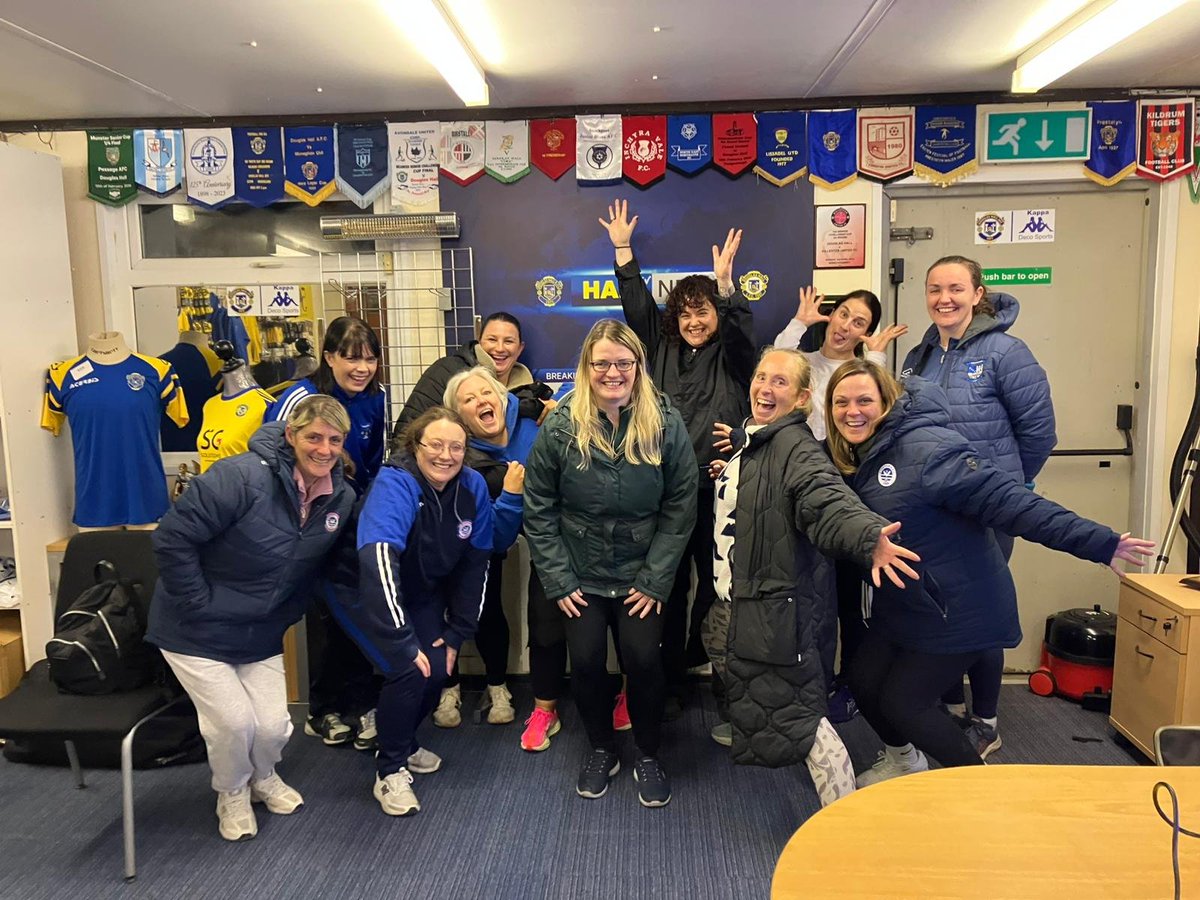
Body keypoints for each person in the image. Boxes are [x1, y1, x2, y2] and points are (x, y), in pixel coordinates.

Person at [824, 360, 1153, 785]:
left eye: (865, 400)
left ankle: (981, 792)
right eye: (841, 402)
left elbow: (1016, 505)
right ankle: (905, 761)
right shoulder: (859, 454)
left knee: (906, 703)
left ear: (887, 402)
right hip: (908, 605)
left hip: (958, 609)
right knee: (865, 681)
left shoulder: (930, 451)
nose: (853, 411)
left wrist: (1098, 542)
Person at [705, 348, 920, 807]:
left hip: (774, 607)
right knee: (717, 641)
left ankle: (843, 821)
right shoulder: (757, 440)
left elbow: (824, 499)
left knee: (805, 722)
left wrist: (867, 537)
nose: (765, 387)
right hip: (739, 596)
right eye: (761, 376)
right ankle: (754, 717)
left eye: (780, 382)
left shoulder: (795, 447)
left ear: (803, 397)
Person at [145, 396, 356, 841]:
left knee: (274, 725)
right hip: (194, 629)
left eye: (334, 440)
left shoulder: (340, 496)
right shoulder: (238, 476)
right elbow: (172, 540)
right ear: (290, 435)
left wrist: (288, 611)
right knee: (234, 723)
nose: (324, 449)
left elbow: (318, 567)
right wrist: (198, 602)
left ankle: (264, 777)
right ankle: (233, 791)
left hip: (260, 630)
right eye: (313, 437)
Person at [524, 319, 698, 807]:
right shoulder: (561, 427)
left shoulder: (665, 424)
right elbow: (538, 507)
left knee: (643, 659)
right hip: (579, 574)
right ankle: (602, 747)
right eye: (602, 363)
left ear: (638, 367)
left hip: (643, 573)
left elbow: (681, 504)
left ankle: (646, 751)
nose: (613, 372)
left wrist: (657, 577)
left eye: (623, 363)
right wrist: (558, 579)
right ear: (587, 367)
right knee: (583, 661)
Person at [603, 198, 754, 718]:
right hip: (664, 492)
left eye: (703, 311)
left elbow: (740, 331)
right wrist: (623, 249)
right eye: (685, 312)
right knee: (664, 585)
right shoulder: (659, 346)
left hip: (718, 490)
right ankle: (663, 679)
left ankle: (699, 666)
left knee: (715, 585)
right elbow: (637, 307)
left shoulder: (734, 354)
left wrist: (728, 288)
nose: (693, 321)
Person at [900, 254, 1056, 759]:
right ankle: (946, 707)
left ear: (977, 292)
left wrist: (1007, 485)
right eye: (934, 289)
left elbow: (1038, 433)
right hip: (931, 509)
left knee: (979, 611)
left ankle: (985, 719)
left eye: (955, 288)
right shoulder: (917, 355)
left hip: (986, 509)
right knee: (938, 606)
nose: (944, 298)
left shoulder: (1006, 353)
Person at [335, 407, 494, 816]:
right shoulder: (396, 482)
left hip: (417, 591)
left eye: (456, 447)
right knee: (409, 667)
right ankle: (388, 771)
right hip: (359, 585)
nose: (446, 455)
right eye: (435, 445)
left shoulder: (472, 487)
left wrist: (458, 631)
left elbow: (476, 563)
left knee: (438, 667)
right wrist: (403, 641)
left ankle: (401, 740)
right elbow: (379, 560)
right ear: (414, 445)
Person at [773, 286, 908, 722]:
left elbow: (879, 401)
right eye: (843, 314)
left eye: (859, 323)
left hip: (849, 489)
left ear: (866, 334)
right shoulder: (806, 365)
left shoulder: (862, 372)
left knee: (852, 598)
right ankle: (810, 679)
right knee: (812, 593)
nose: (846, 326)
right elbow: (775, 364)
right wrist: (801, 322)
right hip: (800, 489)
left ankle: (849, 681)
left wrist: (878, 356)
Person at [266, 316, 388, 752]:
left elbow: (375, 461)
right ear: (329, 356)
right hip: (306, 523)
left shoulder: (378, 399)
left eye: (370, 358)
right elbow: (267, 449)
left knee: (353, 613)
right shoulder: (299, 398)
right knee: (322, 614)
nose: (363, 367)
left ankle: (356, 703)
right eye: (352, 358)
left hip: (352, 520)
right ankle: (322, 710)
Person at [436, 366, 536, 734]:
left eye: (485, 393)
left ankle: (498, 685)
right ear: (458, 416)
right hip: (466, 539)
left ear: (501, 395)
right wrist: (510, 493)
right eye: (468, 400)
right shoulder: (461, 456)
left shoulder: (535, 418)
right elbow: (496, 535)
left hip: (537, 532)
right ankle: (451, 689)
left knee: (498, 610)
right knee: (454, 607)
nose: (480, 401)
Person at [391, 311, 553, 444]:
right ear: (479, 342)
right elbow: (405, 433)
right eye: (492, 339)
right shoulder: (446, 371)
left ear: (520, 348)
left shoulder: (529, 391)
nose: (499, 348)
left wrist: (553, 412)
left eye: (508, 341)